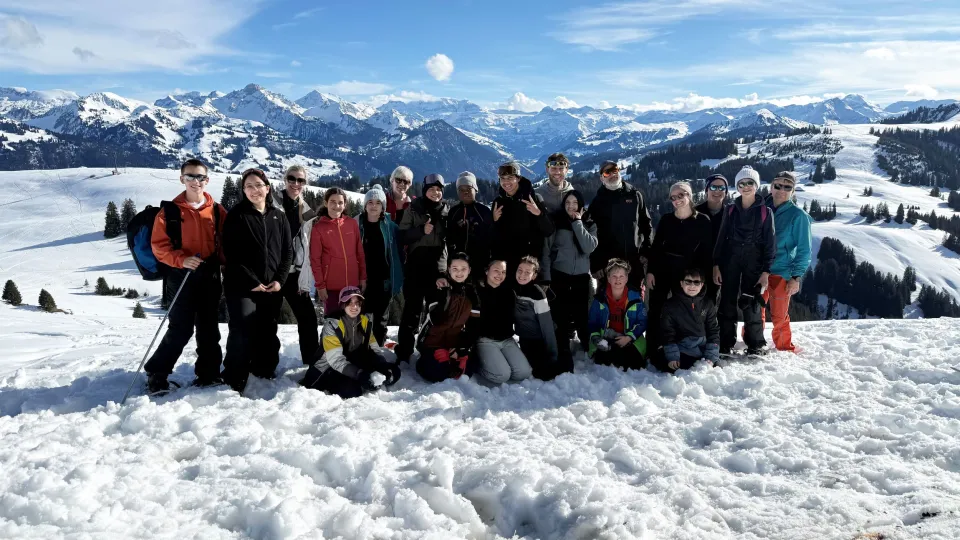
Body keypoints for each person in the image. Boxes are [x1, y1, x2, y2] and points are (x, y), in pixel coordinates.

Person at [144, 158, 227, 394]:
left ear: (207, 180)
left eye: (200, 177)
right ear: (182, 179)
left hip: (209, 274)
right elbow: (159, 247)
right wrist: (181, 260)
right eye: (190, 176)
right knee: (181, 328)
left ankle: (209, 373)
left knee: (209, 327)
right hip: (181, 274)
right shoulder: (170, 211)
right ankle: (157, 373)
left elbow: (227, 242)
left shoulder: (217, 211)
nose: (195, 181)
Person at [221, 168, 292, 392]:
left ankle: (264, 368)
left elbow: (287, 252)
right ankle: (235, 373)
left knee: (267, 328)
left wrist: (279, 280)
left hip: (271, 286)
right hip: (241, 286)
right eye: (249, 186)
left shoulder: (278, 216)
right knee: (242, 326)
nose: (254, 190)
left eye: (258, 185)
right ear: (243, 190)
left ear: (267, 188)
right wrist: (251, 280)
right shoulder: (237, 215)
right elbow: (231, 254)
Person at [645, 181, 713, 359]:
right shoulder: (667, 220)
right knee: (656, 309)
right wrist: (651, 271)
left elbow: (707, 253)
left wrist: (701, 279)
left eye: (681, 195)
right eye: (673, 197)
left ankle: (682, 349)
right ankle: (653, 348)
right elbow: (657, 247)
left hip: (687, 275)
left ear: (689, 195)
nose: (677, 200)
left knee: (683, 312)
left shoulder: (702, 221)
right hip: (663, 270)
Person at [713, 165, 776, 356]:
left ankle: (755, 343)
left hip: (754, 262)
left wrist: (766, 272)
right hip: (730, 260)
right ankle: (725, 342)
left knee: (752, 301)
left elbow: (770, 244)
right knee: (727, 302)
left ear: (756, 185)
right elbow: (721, 238)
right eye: (742, 183)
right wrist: (716, 264)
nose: (746, 186)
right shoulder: (730, 210)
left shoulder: (765, 212)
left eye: (750, 183)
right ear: (737, 186)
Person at [299, 287, 400, 398]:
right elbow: (335, 359)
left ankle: (375, 381)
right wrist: (359, 374)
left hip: (353, 363)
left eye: (357, 303)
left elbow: (374, 348)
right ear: (342, 304)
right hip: (329, 368)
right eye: (349, 302)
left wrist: (382, 364)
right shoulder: (332, 324)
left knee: (394, 371)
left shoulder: (365, 322)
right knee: (352, 391)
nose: (354, 307)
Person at [396, 174, 450, 363]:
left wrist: (444, 270)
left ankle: (430, 349)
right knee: (412, 310)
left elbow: (447, 244)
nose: (435, 193)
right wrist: (420, 231)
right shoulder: (413, 209)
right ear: (424, 191)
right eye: (431, 189)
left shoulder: (446, 211)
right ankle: (404, 351)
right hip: (416, 266)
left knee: (435, 311)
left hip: (436, 268)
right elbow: (401, 236)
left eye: (438, 189)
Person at [271, 165, 319, 365]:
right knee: (268, 321)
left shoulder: (306, 210)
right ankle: (266, 364)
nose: (296, 184)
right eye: (292, 179)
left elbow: (306, 246)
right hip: (272, 273)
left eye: (301, 180)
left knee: (308, 319)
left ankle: (312, 362)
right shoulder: (271, 202)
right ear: (285, 179)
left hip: (294, 275)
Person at [541, 190, 598, 354]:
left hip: (581, 277)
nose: (571, 206)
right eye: (567, 203)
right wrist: (546, 277)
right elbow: (546, 251)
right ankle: (562, 345)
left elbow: (589, 247)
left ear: (580, 205)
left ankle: (588, 345)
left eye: (575, 203)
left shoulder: (589, 223)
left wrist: (577, 223)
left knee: (582, 315)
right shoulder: (556, 222)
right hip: (560, 275)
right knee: (560, 315)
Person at [762, 171, 812, 352]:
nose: (781, 190)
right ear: (771, 187)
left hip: (781, 272)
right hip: (759, 271)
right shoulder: (761, 207)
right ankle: (753, 341)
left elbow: (804, 250)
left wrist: (796, 276)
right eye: (778, 185)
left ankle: (783, 348)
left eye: (787, 186)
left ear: (793, 191)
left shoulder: (798, 216)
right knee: (753, 310)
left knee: (779, 314)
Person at [415, 253, 481, 383]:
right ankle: (422, 362)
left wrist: (461, 349)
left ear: (469, 270)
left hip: (454, 342)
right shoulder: (439, 287)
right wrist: (444, 295)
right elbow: (436, 320)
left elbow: (473, 326)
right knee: (439, 374)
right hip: (432, 342)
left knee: (469, 369)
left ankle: (450, 358)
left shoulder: (472, 293)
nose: (459, 273)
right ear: (448, 269)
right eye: (455, 268)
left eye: (463, 269)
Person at [588, 160, 653, 288]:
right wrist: (595, 264)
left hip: (634, 262)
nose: (612, 174)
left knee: (634, 303)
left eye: (615, 170)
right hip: (608, 266)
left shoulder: (634, 195)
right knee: (609, 305)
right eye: (607, 173)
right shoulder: (598, 202)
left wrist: (646, 251)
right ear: (602, 178)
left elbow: (646, 224)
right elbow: (591, 234)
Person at [302, 187, 367, 316]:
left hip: (352, 286)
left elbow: (359, 253)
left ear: (345, 204)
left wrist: (363, 277)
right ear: (326, 203)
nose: (336, 206)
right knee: (332, 323)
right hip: (331, 287)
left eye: (340, 202)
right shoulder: (319, 228)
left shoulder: (352, 224)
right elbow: (315, 259)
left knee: (351, 323)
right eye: (332, 202)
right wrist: (320, 286)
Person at [356, 184, 404, 346]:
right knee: (362, 317)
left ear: (383, 206)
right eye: (370, 202)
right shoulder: (357, 226)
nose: (374, 206)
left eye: (378, 202)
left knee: (381, 320)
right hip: (363, 281)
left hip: (384, 281)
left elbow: (400, 253)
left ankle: (377, 350)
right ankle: (362, 350)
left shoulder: (391, 228)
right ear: (365, 206)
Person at [491, 162, 554, 281]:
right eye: (502, 179)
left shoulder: (533, 199)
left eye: (510, 178)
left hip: (529, 266)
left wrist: (539, 214)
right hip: (507, 265)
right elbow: (494, 238)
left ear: (518, 178)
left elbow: (549, 230)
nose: (506, 182)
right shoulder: (498, 203)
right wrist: (494, 221)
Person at [475, 260, 532, 384]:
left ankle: (497, 361)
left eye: (503, 272)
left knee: (523, 372)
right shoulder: (477, 291)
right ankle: (478, 366)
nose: (500, 274)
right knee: (502, 375)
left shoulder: (509, 292)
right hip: (486, 340)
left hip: (506, 340)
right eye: (496, 270)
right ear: (486, 271)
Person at [588, 259, 647, 370]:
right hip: (606, 338)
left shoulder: (636, 299)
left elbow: (642, 322)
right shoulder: (599, 299)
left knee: (633, 362)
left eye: (621, 276)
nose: (618, 280)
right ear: (608, 278)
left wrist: (628, 338)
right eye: (614, 276)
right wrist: (597, 339)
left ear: (627, 278)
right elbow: (592, 323)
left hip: (629, 339)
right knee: (603, 359)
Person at [660, 268, 720, 373]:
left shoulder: (708, 304)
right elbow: (667, 332)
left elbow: (713, 330)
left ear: (702, 285)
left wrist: (711, 356)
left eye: (696, 282)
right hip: (681, 349)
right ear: (681, 283)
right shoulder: (671, 305)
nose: (692, 286)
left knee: (710, 367)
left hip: (702, 349)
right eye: (688, 282)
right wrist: (673, 356)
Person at [514, 256, 563, 379]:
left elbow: (547, 327)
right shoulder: (514, 289)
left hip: (539, 340)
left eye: (527, 272)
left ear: (534, 275)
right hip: (524, 339)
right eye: (520, 270)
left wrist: (552, 355)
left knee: (544, 373)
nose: (522, 275)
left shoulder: (537, 294)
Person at [446, 171, 493, 281]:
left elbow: (492, 237)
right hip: (459, 266)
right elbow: (448, 237)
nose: (465, 192)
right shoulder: (453, 212)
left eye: (469, 188)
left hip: (480, 263)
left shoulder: (484, 211)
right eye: (461, 190)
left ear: (475, 189)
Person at [695, 173, 730, 302]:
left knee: (713, 305)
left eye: (722, 188)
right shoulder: (695, 213)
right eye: (713, 187)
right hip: (697, 268)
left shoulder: (730, 215)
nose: (717, 191)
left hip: (721, 269)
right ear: (706, 190)